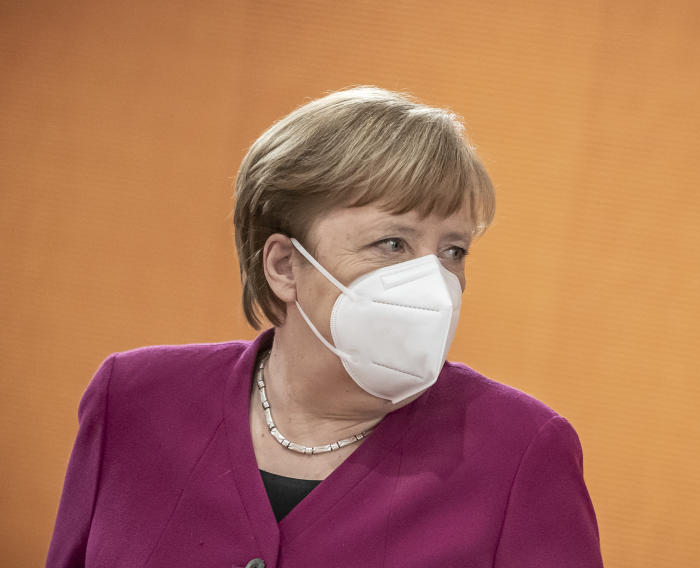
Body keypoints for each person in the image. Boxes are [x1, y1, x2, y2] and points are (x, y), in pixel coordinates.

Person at [47, 86, 603, 567]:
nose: (434, 281)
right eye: (393, 243)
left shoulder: (521, 450)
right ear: (285, 266)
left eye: (452, 251)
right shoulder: (134, 399)